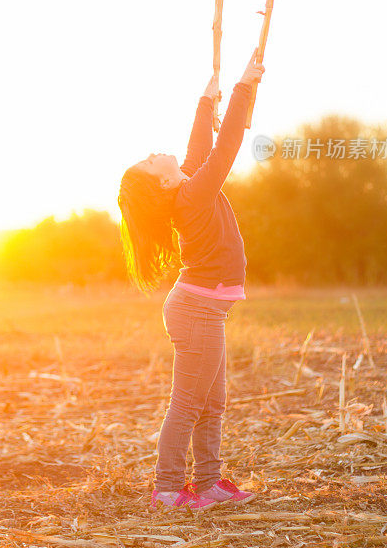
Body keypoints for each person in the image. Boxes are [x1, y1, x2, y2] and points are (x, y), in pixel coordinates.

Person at [117, 47, 265, 511]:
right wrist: (243, 88)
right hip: (197, 309)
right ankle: (167, 490)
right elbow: (224, 151)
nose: (154, 154)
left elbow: (201, 149)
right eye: (149, 161)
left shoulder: (186, 184)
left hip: (205, 308)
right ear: (161, 183)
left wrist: (207, 101)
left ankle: (208, 484)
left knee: (212, 404)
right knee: (187, 404)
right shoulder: (194, 195)